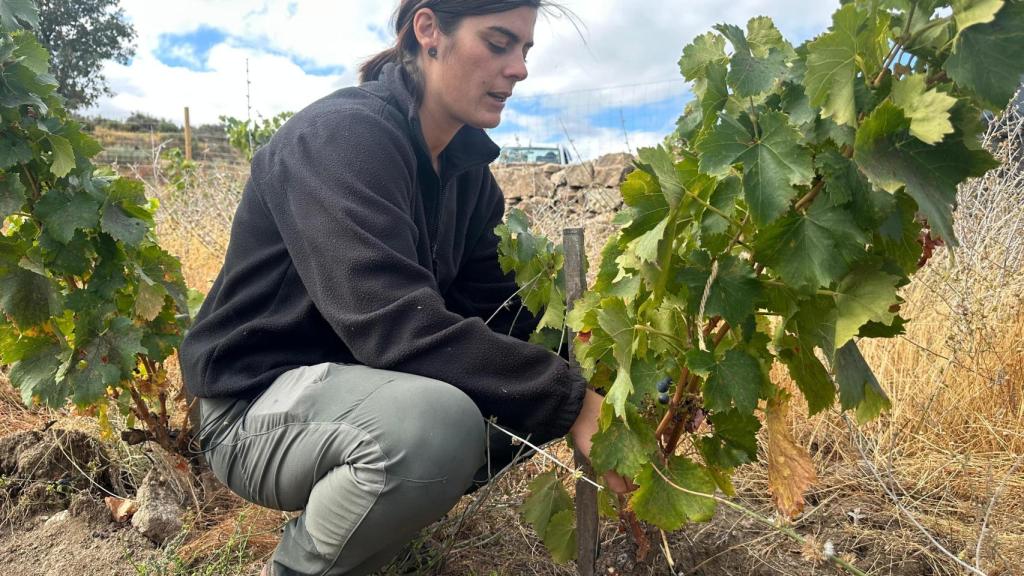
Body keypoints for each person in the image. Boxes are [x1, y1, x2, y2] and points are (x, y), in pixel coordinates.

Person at [179, 1, 628, 575]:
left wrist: (608, 379)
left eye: (525, 50)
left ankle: (370, 527)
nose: (519, 68)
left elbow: (506, 316)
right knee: (440, 426)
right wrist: (570, 402)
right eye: (498, 43)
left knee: (505, 396)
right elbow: (391, 322)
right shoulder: (341, 136)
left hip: (355, 395)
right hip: (252, 407)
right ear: (428, 30)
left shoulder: (468, 177)